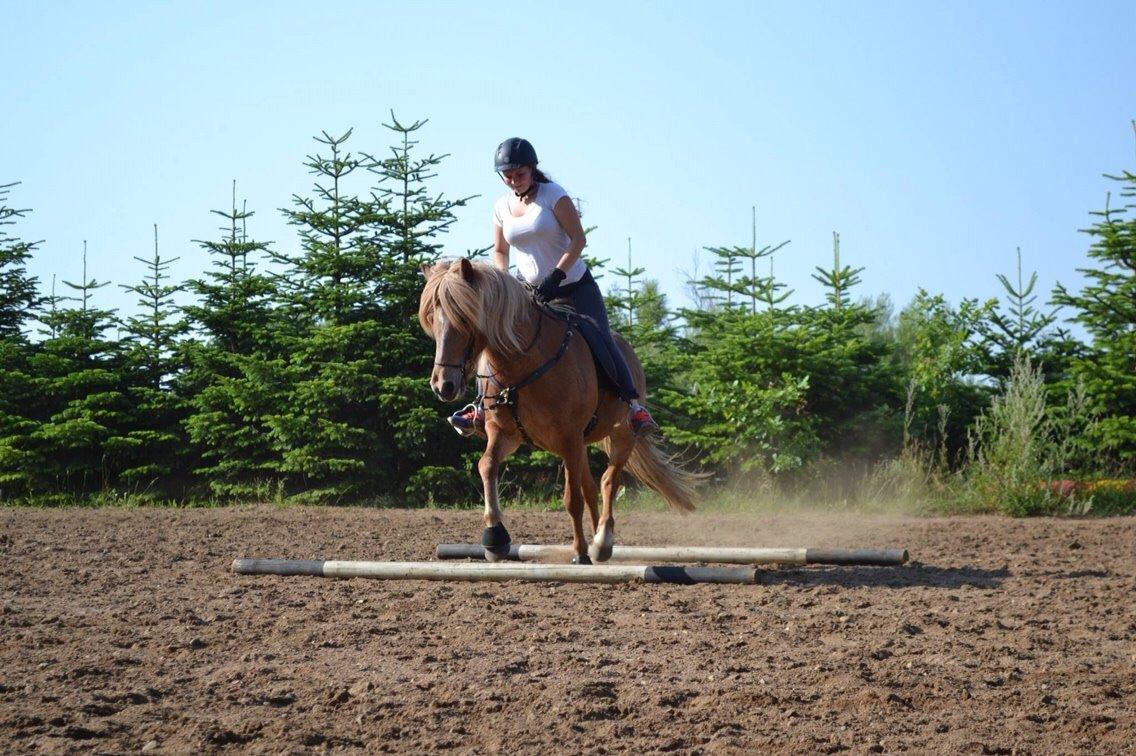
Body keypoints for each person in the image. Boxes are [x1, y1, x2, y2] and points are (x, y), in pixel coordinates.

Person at [449, 137, 659, 437]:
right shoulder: (501, 207)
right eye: (507, 176)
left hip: (573, 287)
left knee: (601, 338)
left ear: (532, 169)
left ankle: (635, 408)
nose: (512, 182)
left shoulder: (553, 196)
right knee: (495, 338)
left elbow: (578, 240)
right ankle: (480, 407)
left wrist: (557, 276)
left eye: (518, 175)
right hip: (528, 291)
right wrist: (504, 282)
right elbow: (500, 250)